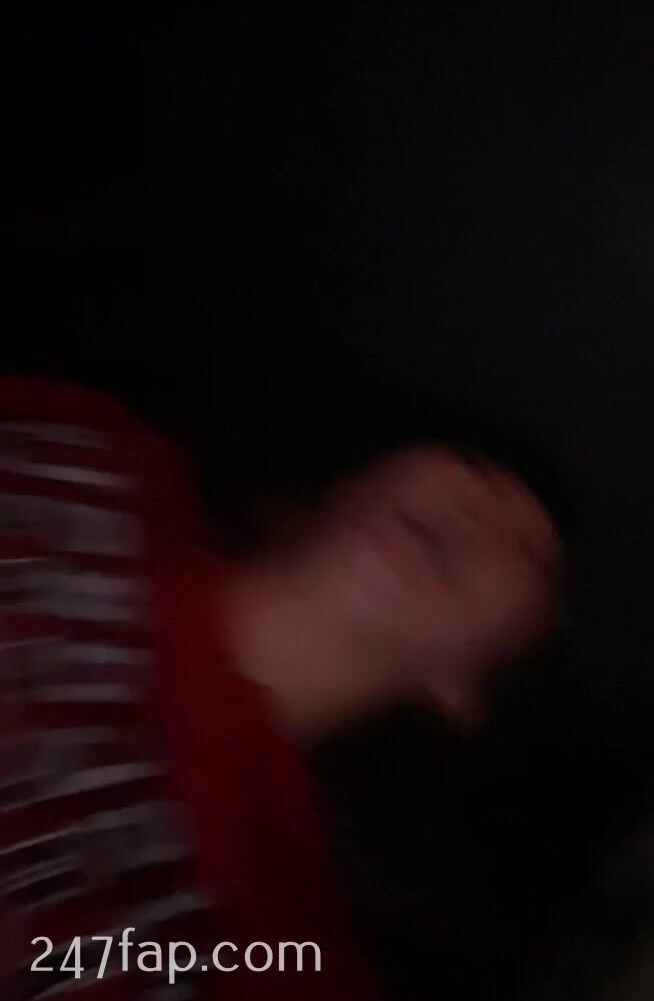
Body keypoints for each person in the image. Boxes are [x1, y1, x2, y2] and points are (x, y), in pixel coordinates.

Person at [0, 376, 561, 999]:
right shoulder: (90, 443)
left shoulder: (283, 955)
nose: (481, 511)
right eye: (473, 464)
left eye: (531, 553)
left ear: (467, 695)